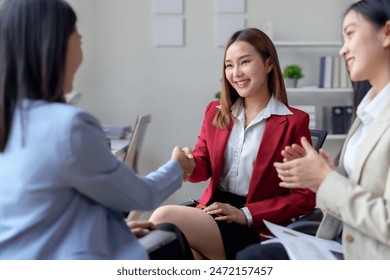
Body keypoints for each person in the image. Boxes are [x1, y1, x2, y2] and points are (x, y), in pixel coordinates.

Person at [0, 0, 195, 260]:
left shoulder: (12, 121)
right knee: (172, 239)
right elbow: (140, 196)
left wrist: (111, 229)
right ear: (54, 45)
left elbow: (43, 211)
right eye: (78, 38)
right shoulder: (68, 127)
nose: (81, 50)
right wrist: (177, 167)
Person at [238, 0, 390, 260]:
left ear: (386, 32)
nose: (343, 50)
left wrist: (325, 180)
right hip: (339, 242)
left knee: (253, 258)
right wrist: (326, 175)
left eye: (350, 34)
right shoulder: (368, 111)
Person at [149, 28, 316, 260]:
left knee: (164, 216)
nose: (236, 73)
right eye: (229, 65)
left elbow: (304, 198)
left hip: (255, 224)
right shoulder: (215, 112)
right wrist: (187, 165)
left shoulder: (294, 121)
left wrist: (245, 214)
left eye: (245, 62)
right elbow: (202, 166)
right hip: (213, 212)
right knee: (169, 241)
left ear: (268, 64)